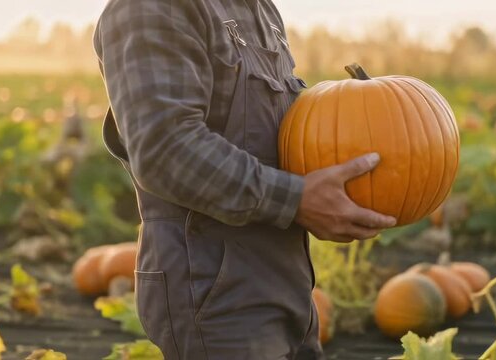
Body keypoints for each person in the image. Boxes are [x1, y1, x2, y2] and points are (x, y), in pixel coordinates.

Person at [93, 0, 396, 358]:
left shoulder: (260, 9)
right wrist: (297, 199)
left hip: (289, 283)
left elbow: (282, 135)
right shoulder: (154, 8)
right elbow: (165, 148)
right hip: (215, 295)